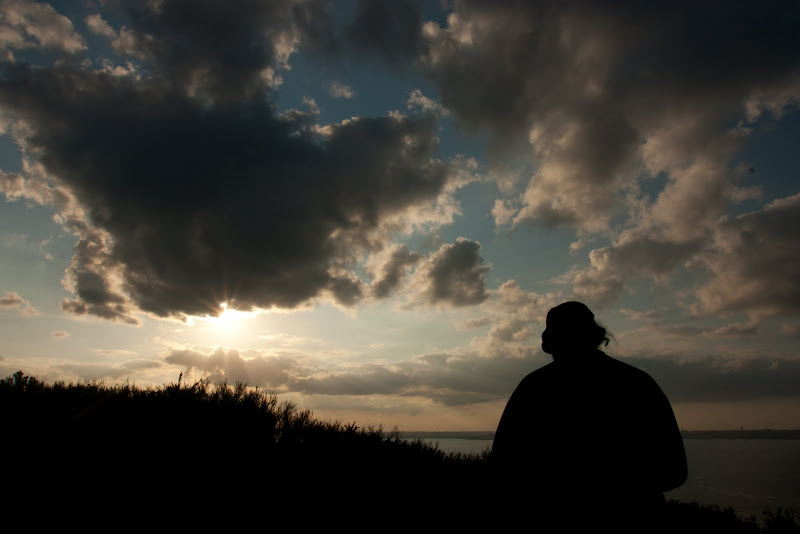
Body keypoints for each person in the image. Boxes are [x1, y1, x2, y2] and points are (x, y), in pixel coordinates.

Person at [491, 301, 687, 528]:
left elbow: (502, 467)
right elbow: (675, 472)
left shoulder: (534, 388)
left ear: (552, 342)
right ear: (594, 337)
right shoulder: (638, 384)